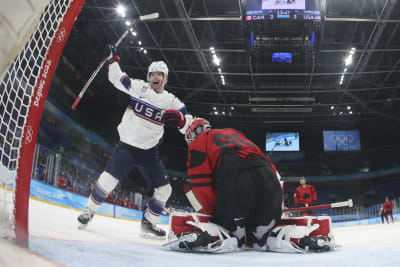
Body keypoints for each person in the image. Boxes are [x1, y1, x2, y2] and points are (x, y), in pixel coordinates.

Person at [165, 118, 335, 253]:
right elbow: (273, 171)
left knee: (233, 233)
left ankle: (213, 237)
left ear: (194, 132)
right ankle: (301, 239)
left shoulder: (199, 141)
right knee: (263, 234)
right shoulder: (234, 133)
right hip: (270, 181)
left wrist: (215, 214)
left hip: (238, 182)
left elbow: (200, 182)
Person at [77, 44, 193, 239]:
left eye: (159, 75)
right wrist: (112, 60)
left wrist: (182, 121)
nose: (155, 77)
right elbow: (116, 78)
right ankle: (88, 211)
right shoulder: (139, 87)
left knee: (165, 190)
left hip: (150, 152)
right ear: (149, 77)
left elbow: (187, 121)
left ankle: (148, 224)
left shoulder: (171, 101)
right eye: (152, 74)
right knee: (107, 180)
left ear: (165, 79)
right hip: (127, 147)